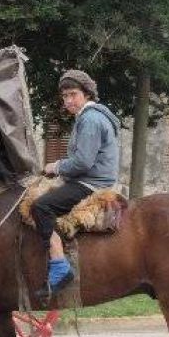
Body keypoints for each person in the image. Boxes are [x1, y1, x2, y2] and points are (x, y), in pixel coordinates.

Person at [31, 69, 120, 296]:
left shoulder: (90, 119)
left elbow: (82, 163)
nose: (68, 101)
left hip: (91, 183)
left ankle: (60, 266)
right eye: (65, 96)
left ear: (87, 94)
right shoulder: (89, 117)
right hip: (90, 179)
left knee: (40, 206)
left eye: (73, 94)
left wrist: (56, 166)